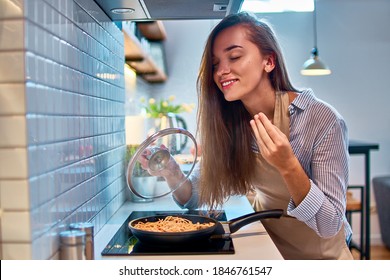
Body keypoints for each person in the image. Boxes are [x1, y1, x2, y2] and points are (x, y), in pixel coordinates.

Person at [140, 12, 353, 260]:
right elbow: (198, 194)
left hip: (322, 260)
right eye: (215, 64)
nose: (222, 71)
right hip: (269, 252)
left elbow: (330, 225)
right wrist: (171, 170)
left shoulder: (321, 119)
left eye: (235, 56)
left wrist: (288, 165)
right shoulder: (234, 123)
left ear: (269, 61)